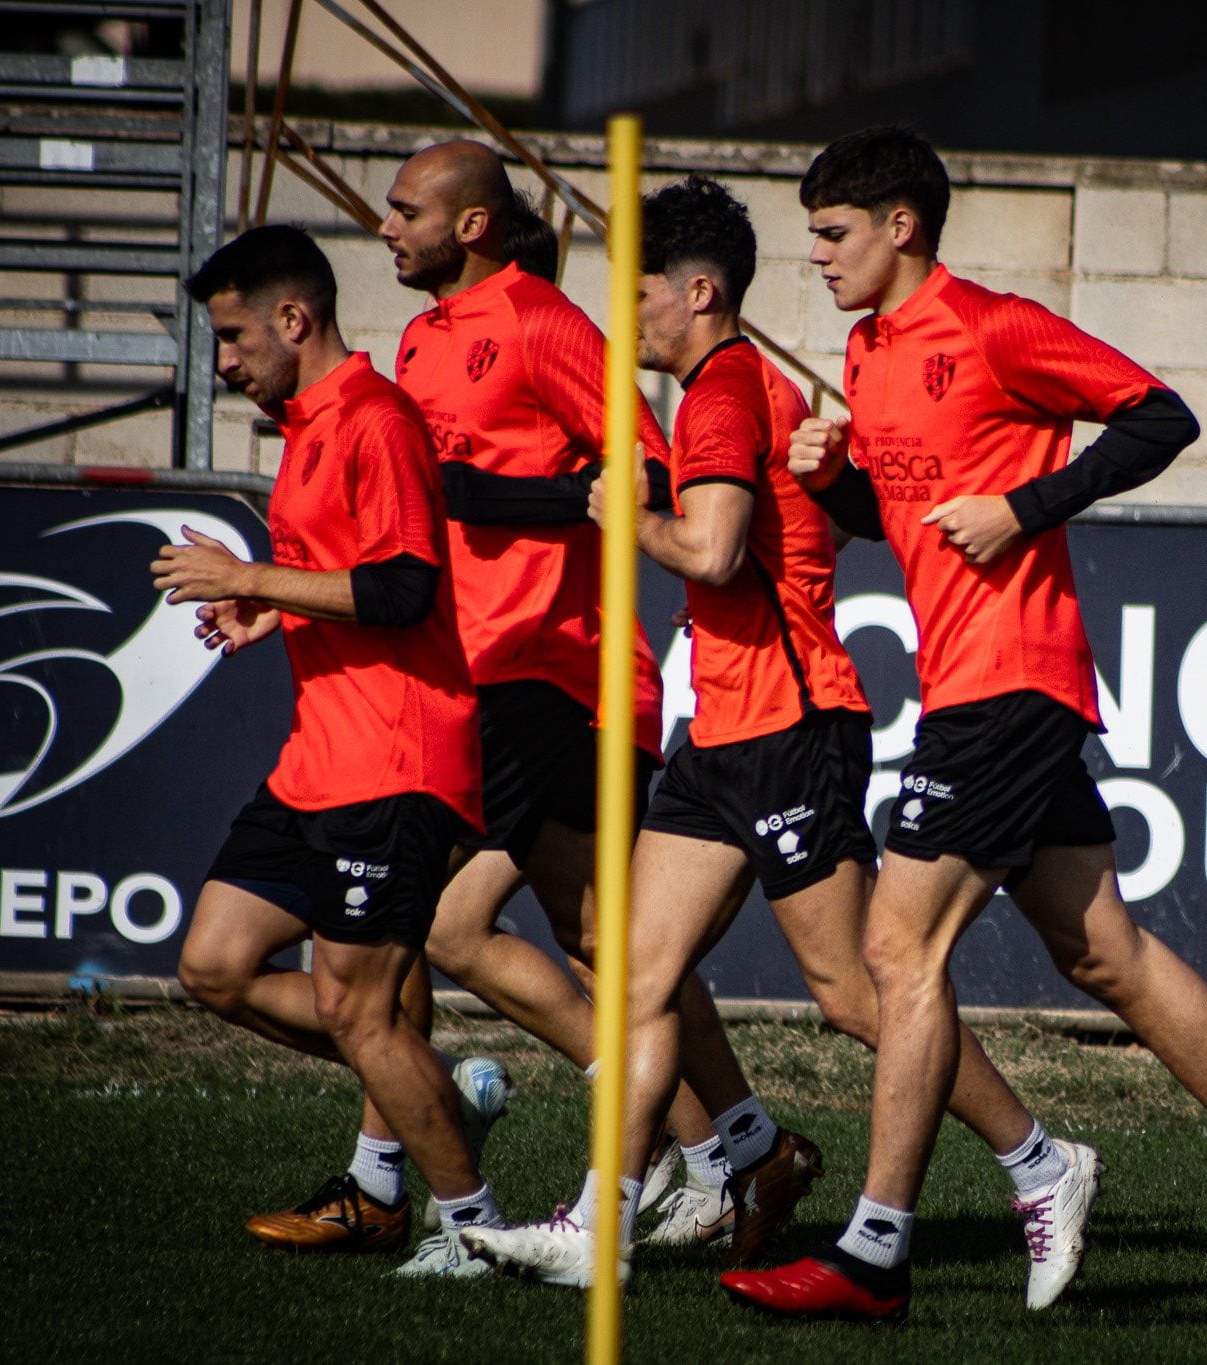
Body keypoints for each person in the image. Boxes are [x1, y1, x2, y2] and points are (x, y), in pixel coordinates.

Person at [719, 127, 1207, 1333]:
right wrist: (826, 480)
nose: (815, 255)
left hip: (1010, 683)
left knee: (895, 954)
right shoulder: (863, 351)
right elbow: (891, 518)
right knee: (1100, 951)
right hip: (974, 685)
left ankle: (873, 1251)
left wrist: (1024, 505)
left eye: (832, 231)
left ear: (901, 225)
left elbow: (1158, 418)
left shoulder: (994, 326)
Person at [464, 175, 1101, 1306]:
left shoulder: (720, 393)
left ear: (698, 292)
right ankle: (599, 1222)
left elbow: (710, 553)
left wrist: (628, 520)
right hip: (724, 735)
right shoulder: (727, 386)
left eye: (641, 293)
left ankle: (1039, 1161)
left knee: (859, 996)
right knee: (633, 973)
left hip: (795, 731)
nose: (629, 319)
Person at [372, 140, 801, 1270]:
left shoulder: (546, 325)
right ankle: (729, 1147)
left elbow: (639, 476)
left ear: (471, 225)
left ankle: (423, 1196)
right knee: (582, 940)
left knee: (431, 918)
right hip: (472, 671)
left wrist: (486, 494)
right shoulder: (419, 339)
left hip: (568, 677)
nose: (385, 225)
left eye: (404, 208)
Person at [161, 224, 504, 1268]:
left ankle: (472, 1234)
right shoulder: (309, 423)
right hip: (319, 760)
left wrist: (250, 580)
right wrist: (273, 609)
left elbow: (405, 589)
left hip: (397, 766)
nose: (223, 363)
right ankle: (434, 1095)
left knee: (363, 1012)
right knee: (214, 966)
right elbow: (341, 573)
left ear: (293, 320)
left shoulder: (374, 417)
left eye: (231, 338)